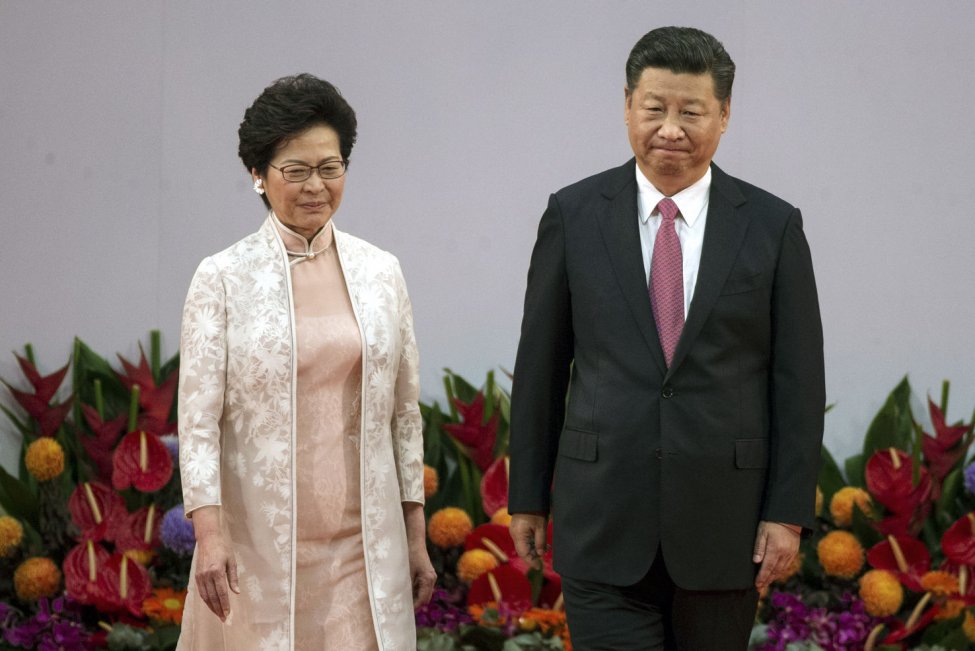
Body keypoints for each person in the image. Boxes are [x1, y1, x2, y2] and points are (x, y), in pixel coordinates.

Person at [508, 26, 825, 650]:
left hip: (725, 526)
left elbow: (799, 381)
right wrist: (528, 498)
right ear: (627, 106)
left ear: (724, 114)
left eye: (691, 112)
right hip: (602, 518)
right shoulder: (573, 215)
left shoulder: (772, 225)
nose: (670, 130)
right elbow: (541, 367)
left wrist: (786, 513)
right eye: (654, 109)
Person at [176, 73, 435, 651]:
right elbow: (197, 423)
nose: (316, 185)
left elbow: (404, 416)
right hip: (257, 549)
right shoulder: (222, 278)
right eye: (295, 170)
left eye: (330, 167)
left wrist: (415, 537)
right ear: (258, 175)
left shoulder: (381, 272)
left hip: (365, 547)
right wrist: (209, 535)